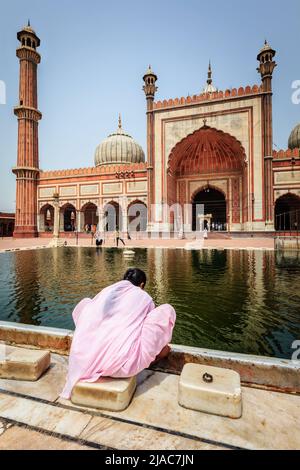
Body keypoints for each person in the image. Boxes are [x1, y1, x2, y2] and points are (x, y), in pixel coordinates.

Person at [61, 268, 176, 399]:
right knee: (167, 310)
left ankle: (94, 349)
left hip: (86, 362)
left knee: (86, 304)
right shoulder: (144, 297)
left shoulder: (107, 291)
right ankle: (152, 358)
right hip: (125, 367)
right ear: (142, 285)